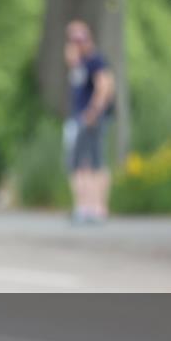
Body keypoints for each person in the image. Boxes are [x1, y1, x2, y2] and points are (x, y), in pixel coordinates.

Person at [64, 20, 115, 224]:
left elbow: (105, 86)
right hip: (78, 118)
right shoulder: (80, 63)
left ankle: (98, 207)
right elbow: (70, 60)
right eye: (73, 40)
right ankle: (83, 206)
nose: (77, 44)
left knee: (95, 162)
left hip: (90, 118)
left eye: (80, 39)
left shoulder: (96, 61)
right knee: (77, 164)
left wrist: (94, 111)